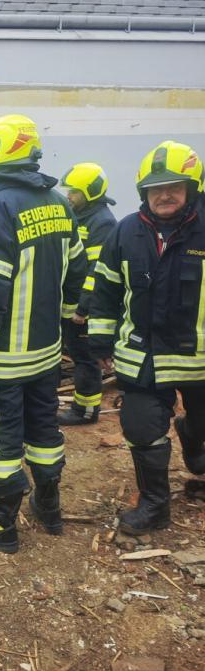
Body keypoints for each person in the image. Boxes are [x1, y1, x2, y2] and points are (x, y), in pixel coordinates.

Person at [0, 114, 87, 553]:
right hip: (46, 354)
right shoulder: (59, 203)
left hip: (4, 361)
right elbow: (77, 272)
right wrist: (61, 320)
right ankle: (49, 508)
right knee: (45, 433)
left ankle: (0, 526)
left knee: (3, 442)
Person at [89, 140, 205, 535]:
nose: (164, 195)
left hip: (199, 360)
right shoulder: (126, 232)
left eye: (173, 186)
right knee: (141, 427)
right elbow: (105, 290)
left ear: (192, 188)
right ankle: (155, 506)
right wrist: (100, 341)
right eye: (155, 188)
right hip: (143, 356)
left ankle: (194, 440)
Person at [57, 163, 117, 425]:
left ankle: (86, 411)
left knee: (85, 358)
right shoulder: (82, 216)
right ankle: (82, 408)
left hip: (86, 308)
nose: (69, 196)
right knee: (79, 354)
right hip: (72, 303)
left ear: (90, 193)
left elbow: (97, 272)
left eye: (74, 192)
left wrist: (83, 308)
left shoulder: (102, 223)